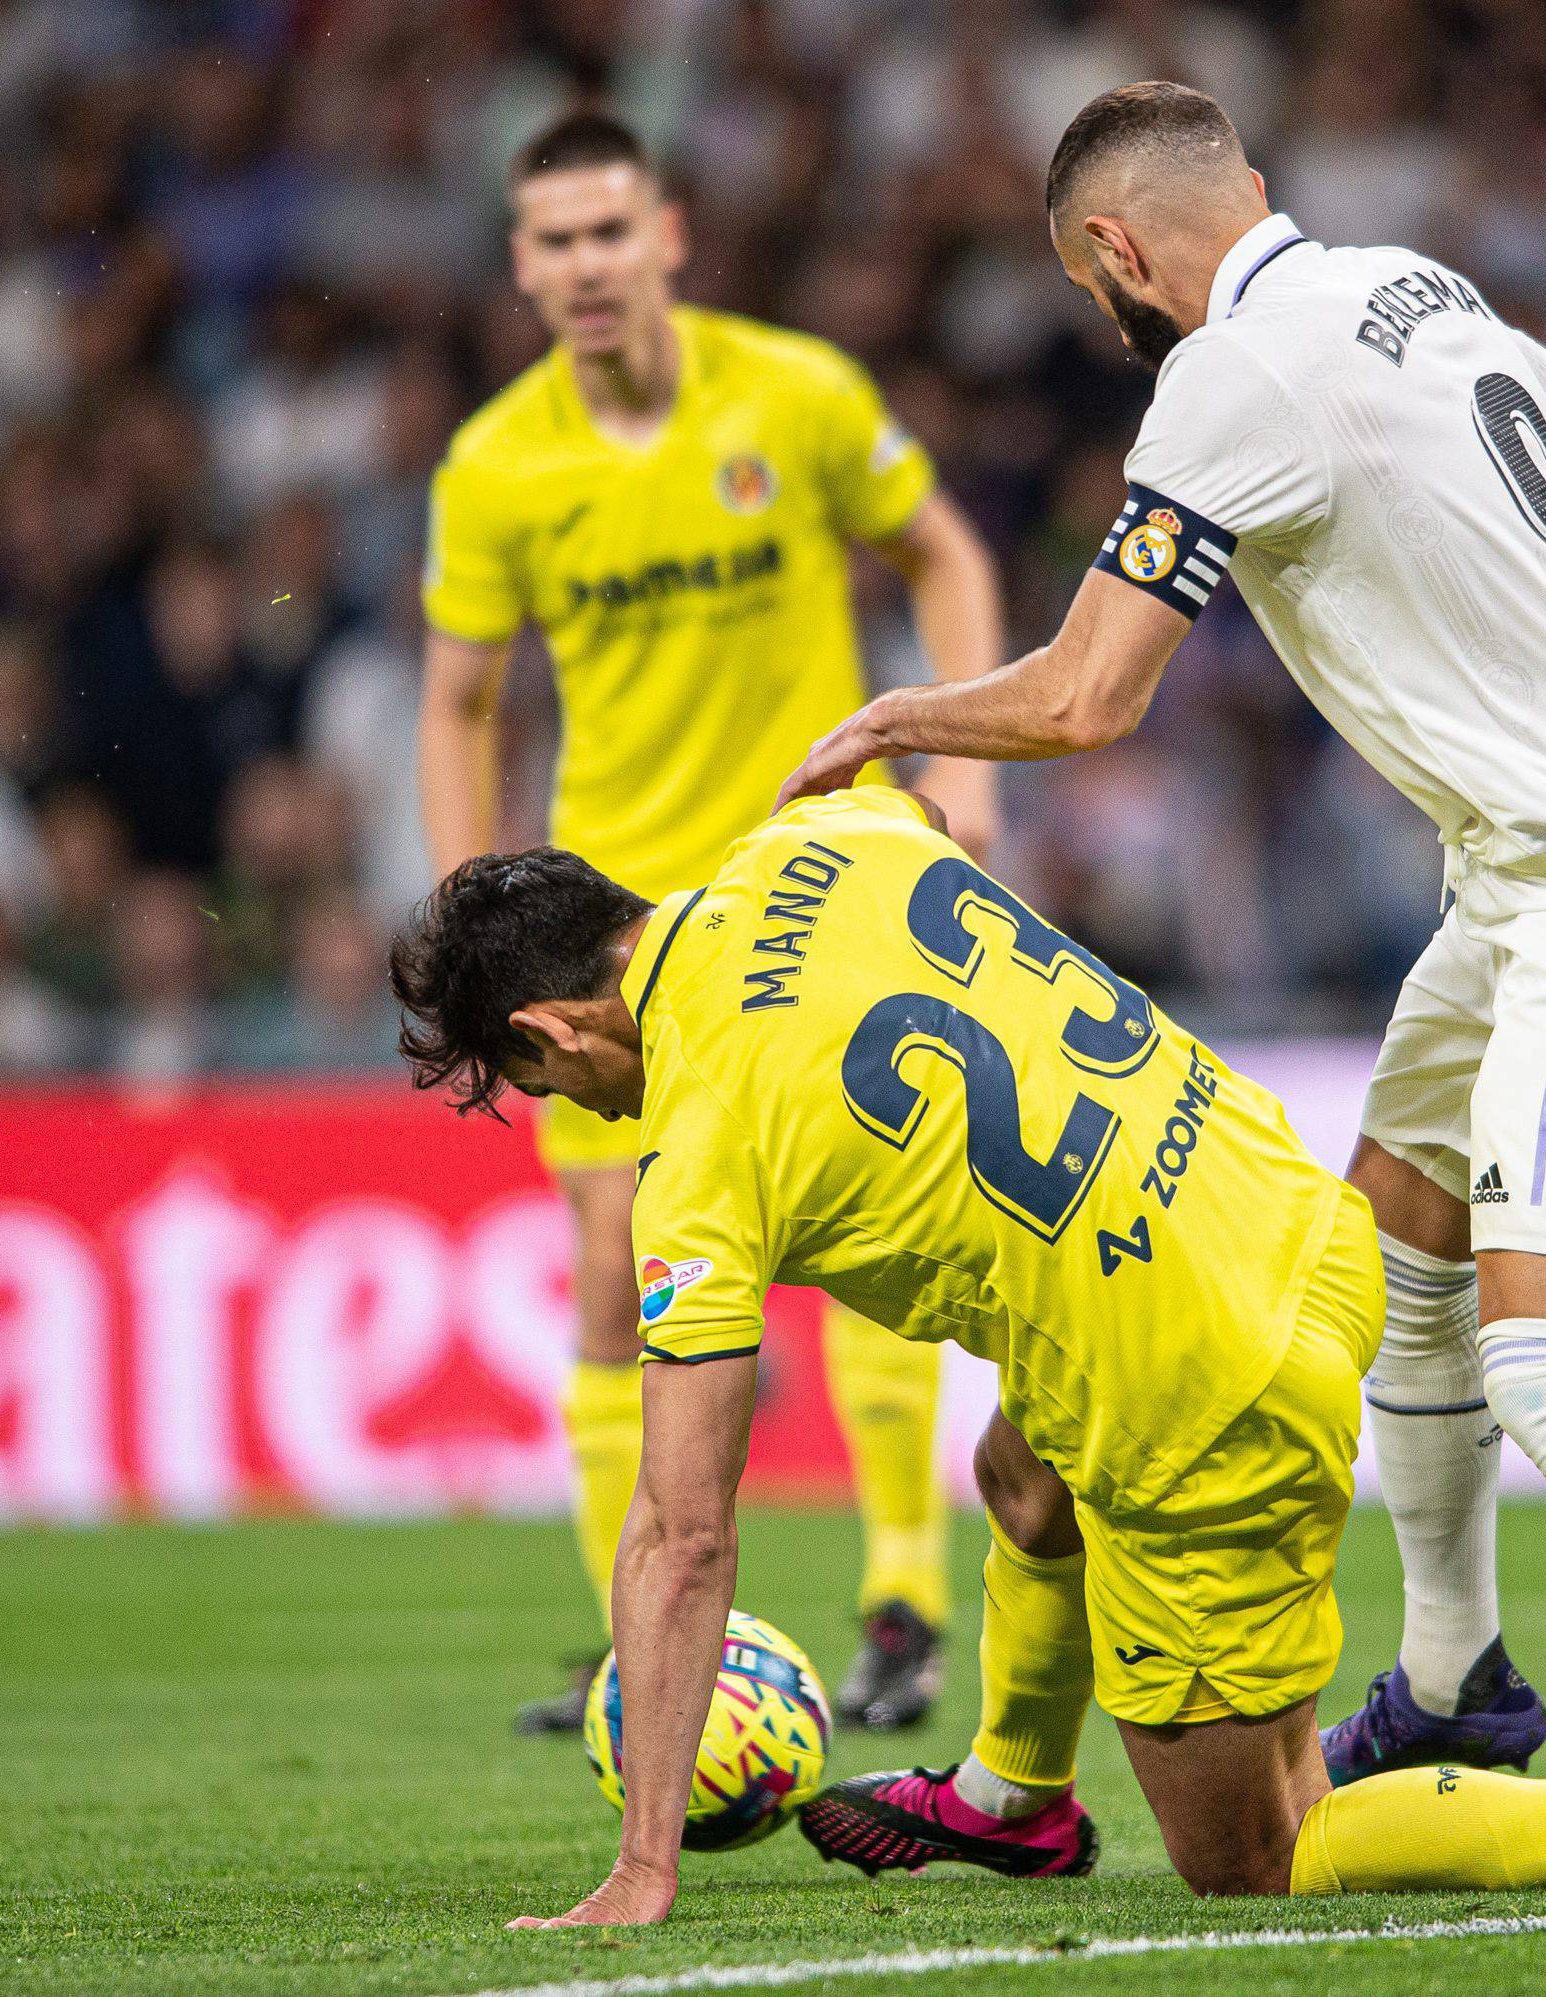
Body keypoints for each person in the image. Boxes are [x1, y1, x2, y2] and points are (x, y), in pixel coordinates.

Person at [780, 82, 1546, 1890]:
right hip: (1527, 862)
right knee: (1398, 1228)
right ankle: (1453, 1673)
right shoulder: (1404, 284)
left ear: (1113, 256)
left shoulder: (1226, 379)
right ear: (1250, 189)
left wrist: (897, 718)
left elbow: (1092, 697)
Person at [389, 788, 1546, 1926]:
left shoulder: (696, 1154)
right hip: (1286, 1210)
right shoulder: (814, 840)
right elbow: (926, 817)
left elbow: (683, 1527)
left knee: (1262, 1853)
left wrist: (647, 1857)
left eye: (534, 1080)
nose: (569, 1102)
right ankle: (1013, 1794)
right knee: (1023, 1473)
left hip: (1203, 1385)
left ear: (551, 1025)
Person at [417, 112, 1007, 1732]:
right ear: (522, 267)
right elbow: (457, 704)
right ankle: (634, 1640)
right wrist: (474, 925)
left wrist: (958, 756)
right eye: (555, 241)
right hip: (611, 937)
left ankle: (901, 1601)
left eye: (612, 231)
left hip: (813, 883)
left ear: (669, 234)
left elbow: (940, 551)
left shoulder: (798, 394)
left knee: (874, 1226)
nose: (587, 265)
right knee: (617, 1267)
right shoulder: (496, 469)